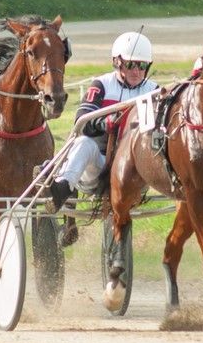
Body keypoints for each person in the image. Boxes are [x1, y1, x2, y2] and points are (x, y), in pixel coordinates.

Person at [47, 32, 158, 213]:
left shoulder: (153, 90)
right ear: (117, 62)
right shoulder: (101, 85)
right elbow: (81, 123)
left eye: (142, 65)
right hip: (99, 166)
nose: (137, 71)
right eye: (131, 64)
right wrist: (103, 123)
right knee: (83, 142)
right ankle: (63, 188)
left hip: (136, 170)